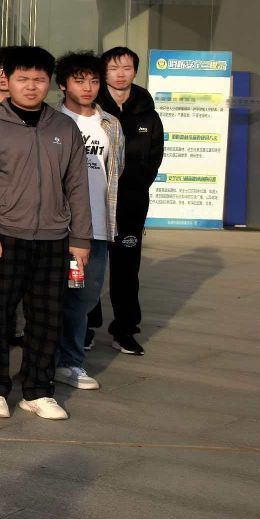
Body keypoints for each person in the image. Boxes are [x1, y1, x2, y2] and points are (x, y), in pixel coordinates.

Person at [0, 44, 92, 422]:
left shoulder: (63, 127)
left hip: (54, 238)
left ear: (50, 82)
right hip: (3, 237)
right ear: (7, 80)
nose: (31, 86)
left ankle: (38, 390)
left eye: (39, 79)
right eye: (23, 79)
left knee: (46, 318)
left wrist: (80, 238)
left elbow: (78, 186)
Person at [54, 51, 123, 395]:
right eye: (79, 80)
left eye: (94, 81)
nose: (88, 87)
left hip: (96, 225)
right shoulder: (52, 120)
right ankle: (57, 360)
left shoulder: (110, 124)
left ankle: (68, 361)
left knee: (85, 296)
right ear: (63, 84)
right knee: (51, 296)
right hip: (57, 226)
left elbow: (116, 171)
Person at [98, 46, 161, 353]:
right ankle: (85, 326)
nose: (120, 74)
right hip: (95, 201)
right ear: (103, 73)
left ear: (135, 71)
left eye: (126, 68)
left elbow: (154, 157)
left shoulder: (148, 112)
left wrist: (135, 187)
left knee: (126, 267)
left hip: (131, 202)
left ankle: (124, 328)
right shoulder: (93, 109)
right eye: (113, 68)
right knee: (89, 265)